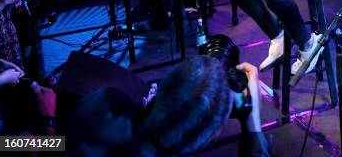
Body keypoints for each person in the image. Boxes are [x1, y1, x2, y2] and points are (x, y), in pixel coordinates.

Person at [66, 56, 271, 156]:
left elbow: (56, 144)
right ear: (209, 137)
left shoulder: (104, 103)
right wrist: (253, 124)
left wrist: (46, 121)